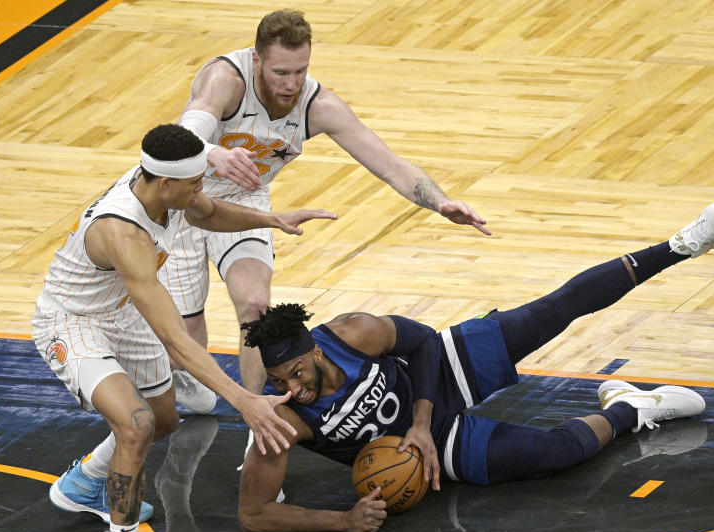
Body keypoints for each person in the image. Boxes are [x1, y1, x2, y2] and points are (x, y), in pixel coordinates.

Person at [236, 201, 714, 532]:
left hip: (431, 382)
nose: (293, 389)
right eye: (280, 382)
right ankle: (631, 408)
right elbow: (253, 515)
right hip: (414, 452)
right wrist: (342, 521)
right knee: (555, 454)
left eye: (298, 374)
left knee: (553, 310)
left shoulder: (353, 331)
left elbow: (426, 343)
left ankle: (679, 246)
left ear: (317, 351)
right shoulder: (280, 418)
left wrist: (422, 421)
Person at [32, 123, 334, 532]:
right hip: (74, 320)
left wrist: (271, 218)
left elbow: (210, 211)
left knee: (165, 420)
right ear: (164, 184)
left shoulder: (171, 187)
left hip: (121, 310)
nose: (201, 190)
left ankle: (86, 482)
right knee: (136, 426)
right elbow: (176, 339)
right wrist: (244, 399)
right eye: (193, 184)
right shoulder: (123, 233)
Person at [161, 8, 490, 416]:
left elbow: (389, 164)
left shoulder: (319, 105)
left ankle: (259, 420)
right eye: (282, 72)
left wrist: (440, 202)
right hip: (183, 197)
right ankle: (185, 373)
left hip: (243, 200)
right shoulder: (226, 78)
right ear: (257, 59)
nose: (292, 83)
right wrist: (214, 153)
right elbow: (184, 135)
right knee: (186, 331)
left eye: (301, 70)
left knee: (255, 308)